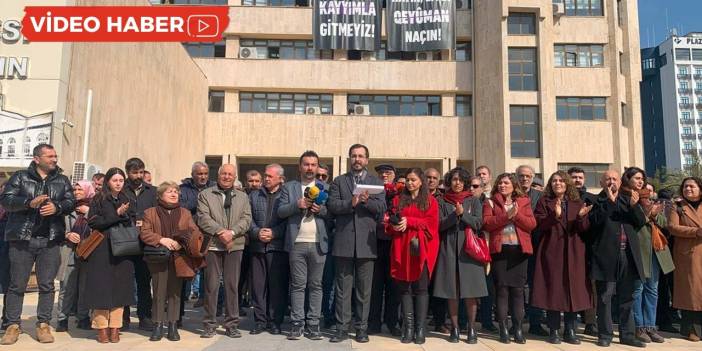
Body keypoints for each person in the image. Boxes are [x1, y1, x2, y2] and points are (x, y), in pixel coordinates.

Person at [0, 143, 75, 345]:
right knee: (17, 285)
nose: (54, 159)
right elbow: (6, 200)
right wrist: (28, 203)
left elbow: (71, 202)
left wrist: (57, 207)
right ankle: (12, 325)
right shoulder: (20, 177)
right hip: (22, 240)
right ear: (37, 158)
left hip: (50, 240)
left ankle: (43, 324)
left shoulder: (62, 179)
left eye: (55, 155)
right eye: (49, 156)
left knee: (47, 285)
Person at [327, 144, 386, 343]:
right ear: (349, 159)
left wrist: (367, 201)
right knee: (343, 289)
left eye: (361, 156)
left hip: (366, 245)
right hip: (343, 242)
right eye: (354, 156)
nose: (357, 159)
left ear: (367, 160)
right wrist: (350, 203)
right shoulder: (339, 181)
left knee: (364, 290)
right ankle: (342, 328)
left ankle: (361, 328)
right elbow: (332, 205)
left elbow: (381, 208)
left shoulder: (375, 182)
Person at [532, 171, 593, 345]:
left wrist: (582, 217)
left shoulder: (577, 202)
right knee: (554, 291)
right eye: (554, 181)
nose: (557, 183)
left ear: (567, 183)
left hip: (574, 253)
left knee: (573, 291)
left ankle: (570, 330)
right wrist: (555, 215)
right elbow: (539, 225)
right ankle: (553, 330)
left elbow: (583, 229)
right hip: (552, 251)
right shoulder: (544, 201)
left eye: (561, 180)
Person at [588, 170, 647, 348]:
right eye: (608, 179)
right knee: (605, 297)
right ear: (601, 183)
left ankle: (627, 335)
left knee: (627, 297)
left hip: (627, 254)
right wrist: (610, 202)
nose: (611, 182)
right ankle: (605, 334)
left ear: (620, 182)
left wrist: (635, 206)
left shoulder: (628, 199)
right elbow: (594, 223)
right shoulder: (596, 201)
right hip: (606, 256)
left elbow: (640, 222)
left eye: (615, 179)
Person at [140, 181, 205, 342]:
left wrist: (180, 242)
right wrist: (161, 239)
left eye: (176, 191)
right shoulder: (150, 212)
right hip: (158, 257)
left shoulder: (185, 212)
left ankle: (173, 325)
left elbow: (193, 231)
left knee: (175, 294)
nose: (174, 194)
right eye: (169, 191)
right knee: (159, 292)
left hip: (179, 257)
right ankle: (157, 325)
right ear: (160, 195)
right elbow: (144, 233)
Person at [278, 151, 331, 340]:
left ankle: (314, 324)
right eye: (306, 164)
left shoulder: (325, 187)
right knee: (298, 286)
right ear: (300, 167)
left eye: (313, 164)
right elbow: (280, 211)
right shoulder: (289, 187)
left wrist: (322, 210)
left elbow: (333, 215)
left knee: (316, 285)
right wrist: (297, 205)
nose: (310, 168)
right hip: (297, 243)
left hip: (318, 244)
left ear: (317, 167)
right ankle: (297, 323)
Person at [385, 168, 439, 345]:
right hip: (401, 247)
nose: (410, 183)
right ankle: (408, 328)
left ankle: (420, 329)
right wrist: (393, 225)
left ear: (421, 181)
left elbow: (432, 224)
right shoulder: (398, 199)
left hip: (421, 248)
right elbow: (390, 222)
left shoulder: (430, 201)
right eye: (408, 179)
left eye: (413, 180)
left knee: (421, 289)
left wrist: (410, 222)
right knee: (405, 289)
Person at [433, 167, 487, 343]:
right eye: (454, 180)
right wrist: (453, 217)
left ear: (465, 182)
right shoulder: (442, 201)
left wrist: (463, 215)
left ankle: (471, 329)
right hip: (448, 248)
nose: (457, 183)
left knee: (471, 292)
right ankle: (454, 329)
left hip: (468, 249)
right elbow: (439, 225)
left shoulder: (473, 201)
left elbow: (479, 223)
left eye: (460, 180)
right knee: (452, 291)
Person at [198, 164, 252, 338]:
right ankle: (209, 324)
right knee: (211, 286)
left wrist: (232, 233)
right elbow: (203, 217)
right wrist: (221, 232)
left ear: (235, 177)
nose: (227, 177)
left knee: (232, 285)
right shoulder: (205, 195)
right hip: (213, 245)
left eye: (230, 174)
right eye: (224, 174)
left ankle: (231, 324)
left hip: (235, 245)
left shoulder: (243, 197)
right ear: (218, 175)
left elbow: (247, 219)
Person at [482, 173, 537, 344]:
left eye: (506, 183)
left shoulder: (524, 201)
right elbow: (487, 224)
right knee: (502, 291)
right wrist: (507, 215)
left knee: (518, 291)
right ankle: (503, 330)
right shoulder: (490, 202)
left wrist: (516, 214)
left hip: (519, 252)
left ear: (513, 185)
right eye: (500, 183)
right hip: (500, 252)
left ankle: (518, 329)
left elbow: (531, 225)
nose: (502, 185)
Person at [84, 168, 136, 343]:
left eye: (121, 180)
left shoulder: (127, 198)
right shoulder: (98, 199)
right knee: (101, 287)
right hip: (102, 247)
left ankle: (115, 327)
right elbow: (94, 222)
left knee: (120, 287)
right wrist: (116, 215)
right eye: (115, 180)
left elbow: (131, 220)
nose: (118, 183)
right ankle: (101, 327)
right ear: (107, 181)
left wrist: (126, 216)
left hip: (122, 247)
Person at [625, 171, 674, 344]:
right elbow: (634, 223)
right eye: (636, 178)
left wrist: (653, 213)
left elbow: (663, 222)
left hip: (655, 250)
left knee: (652, 290)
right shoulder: (628, 198)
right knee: (638, 290)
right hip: (639, 250)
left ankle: (651, 326)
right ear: (628, 179)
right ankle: (640, 327)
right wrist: (647, 214)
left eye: (642, 179)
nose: (640, 182)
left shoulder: (650, 200)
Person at [248, 164, 288, 335]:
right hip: (257, 247)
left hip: (277, 247)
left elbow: (289, 221)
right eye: (266, 175)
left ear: (280, 178)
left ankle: (275, 321)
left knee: (277, 286)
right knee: (258, 287)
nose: (266, 178)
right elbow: (247, 218)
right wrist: (257, 232)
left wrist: (274, 233)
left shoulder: (285, 196)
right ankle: (259, 321)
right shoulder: (254, 195)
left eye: (270, 176)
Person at [122, 157, 157, 331]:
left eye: (141, 172)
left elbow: (156, 215)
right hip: (125, 242)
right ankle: (124, 317)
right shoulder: (121, 190)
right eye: (135, 172)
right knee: (125, 281)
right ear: (128, 172)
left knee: (144, 282)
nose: (138, 175)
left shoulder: (152, 191)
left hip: (145, 244)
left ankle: (145, 316)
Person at [56, 180, 95, 332]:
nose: (77, 192)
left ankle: (83, 317)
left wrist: (88, 212)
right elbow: (56, 227)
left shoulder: (94, 207)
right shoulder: (66, 207)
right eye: (75, 189)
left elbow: (101, 225)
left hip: (88, 251)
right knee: (67, 286)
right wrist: (67, 234)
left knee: (85, 286)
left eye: (81, 189)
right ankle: (62, 318)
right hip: (69, 251)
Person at [668, 177, 702, 342]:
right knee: (691, 293)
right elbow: (672, 227)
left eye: (692, 186)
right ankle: (691, 330)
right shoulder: (678, 206)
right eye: (685, 186)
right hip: (688, 254)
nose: (688, 189)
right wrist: (695, 232)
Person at [368, 163, 401, 336]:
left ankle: (392, 321)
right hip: (374, 243)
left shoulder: (401, 193)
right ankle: (373, 322)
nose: (384, 175)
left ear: (394, 175)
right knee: (375, 286)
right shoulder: (372, 192)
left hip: (394, 244)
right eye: (381, 173)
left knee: (394, 286)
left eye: (388, 172)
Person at [515, 165, 547, 337]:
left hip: (536, 247)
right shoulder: (511, 194)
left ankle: (535, 322)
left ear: (533, 177)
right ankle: (517, 323)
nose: (525, 179)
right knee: (517, 287)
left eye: (528, 176)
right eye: (521, 176)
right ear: (516, 177)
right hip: (515, 247)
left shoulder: (541, 197)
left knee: (535, 285)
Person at [567, 166, 599, 336]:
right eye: (574, 177)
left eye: (580, 177)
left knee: (590, 285)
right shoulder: (564, 199)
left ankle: (590, 322)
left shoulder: (592, 199)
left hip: (589, 247)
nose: (577, 180)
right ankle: (569, 321)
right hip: (569, 247)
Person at [180, 161, 215, 309]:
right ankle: (179, 308)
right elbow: (181, 208)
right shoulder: (183, 189)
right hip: (189, 234)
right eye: (199, 174)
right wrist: (200, 199)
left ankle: (208, 303)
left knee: (209, 271)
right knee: (185, 270)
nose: (203, 177)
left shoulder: (214, 187)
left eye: (205, 173)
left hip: (208, 233)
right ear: (193, 174)